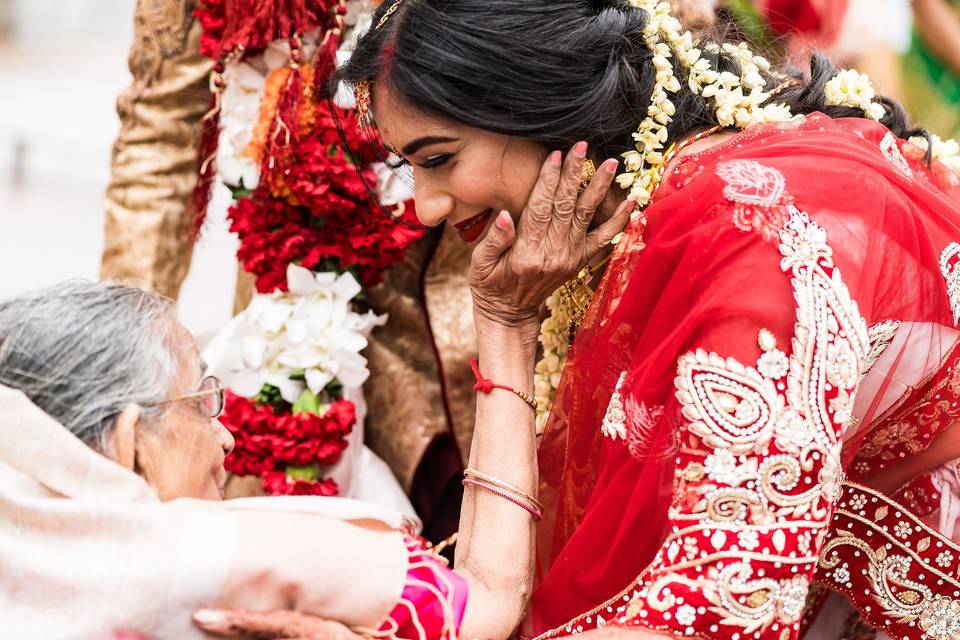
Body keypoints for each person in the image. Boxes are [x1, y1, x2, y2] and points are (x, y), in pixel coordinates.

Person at [318, 0, 960, 638]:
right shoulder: (623, 226)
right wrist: (503, 322)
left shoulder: (749, 228)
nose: (426, 207)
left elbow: (713, 609)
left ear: (537, 99)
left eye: (439, 159)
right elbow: (490, 599)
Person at [0, 279, 603, 640]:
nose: (228, 440)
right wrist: (506, 330)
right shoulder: (229, 558)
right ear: (132, 443)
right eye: (203, 402)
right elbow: (488, 602)